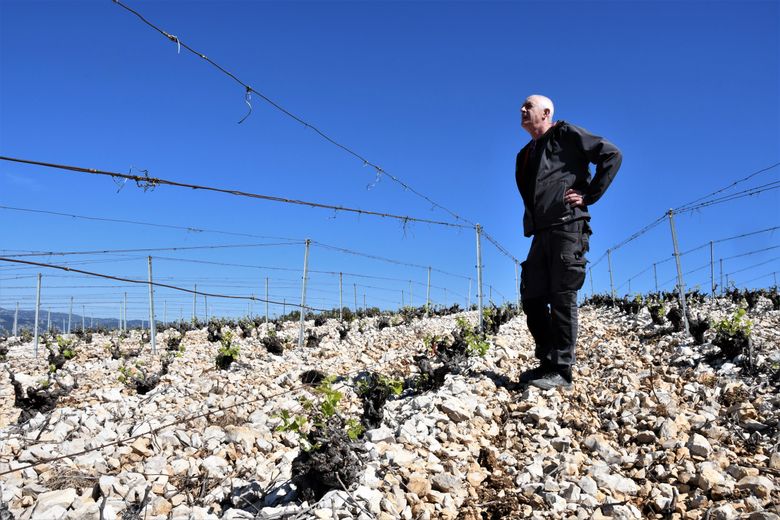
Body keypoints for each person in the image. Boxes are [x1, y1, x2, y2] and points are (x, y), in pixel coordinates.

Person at [515, 95, 622, 390]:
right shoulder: (525, 153)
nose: (522, 110)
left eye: (528, 106)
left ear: (546, 112)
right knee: (532, 296)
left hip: (567, 226)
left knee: (562, 294)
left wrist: (588, 195)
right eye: (521, 108)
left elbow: (611, 155)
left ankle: (562, 372)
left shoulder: (565, 133)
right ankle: (547, 362)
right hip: (541, 233)